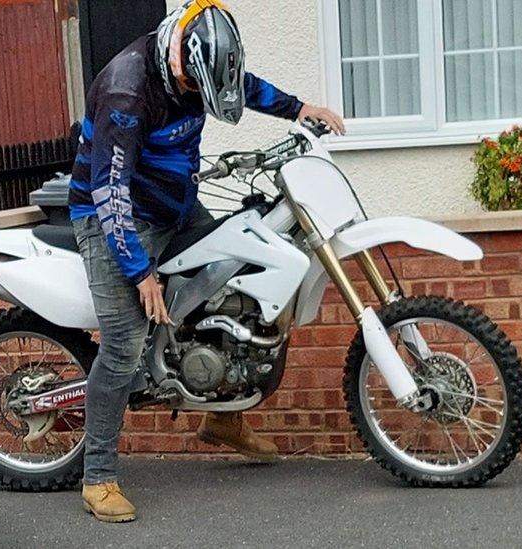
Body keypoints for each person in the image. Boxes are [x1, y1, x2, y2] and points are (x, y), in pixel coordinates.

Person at [68, 0, 344, 523]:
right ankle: (98, 476)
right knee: (124, 343)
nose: (200, 96)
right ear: (177, 60)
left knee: (234, 286)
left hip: (173, 204)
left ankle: (222, 418)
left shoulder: (201, 67)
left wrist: (300, 109)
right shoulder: (127, 89)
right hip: (111, 219)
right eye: (194, 87)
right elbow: (110, 189)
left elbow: (246, 87)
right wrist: (140, 273)